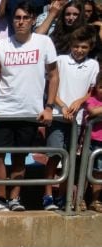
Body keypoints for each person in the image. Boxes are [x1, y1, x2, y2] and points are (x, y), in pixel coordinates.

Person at [0, 1, 58, 212]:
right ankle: (0, 199)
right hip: (2, 110)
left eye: (25, 17)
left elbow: (53, 75)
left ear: (33, 20)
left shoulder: (44, 43)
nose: (21, 21)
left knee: (19, 157)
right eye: (17, 18)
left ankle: (15, 199)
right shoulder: (1, 45)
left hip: (30, 111)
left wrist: (49, 106)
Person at [43, 26, 98, 211]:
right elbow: (51, 87)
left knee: (71, 159)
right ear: (71, 45)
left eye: (84, 47)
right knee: (54, 156)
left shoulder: (93, 65)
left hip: (79, 120)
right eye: (76, 46)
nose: (79, 50)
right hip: (58, 116)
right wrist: (63, 105)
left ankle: (63, 196)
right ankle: (48, 195)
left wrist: (78, 102)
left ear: (89, 47)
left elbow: (91, 90)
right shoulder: (60, 60)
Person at [84, 72, 102, 212]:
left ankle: (95, 200)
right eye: (101, 87)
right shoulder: (91, 100)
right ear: (96, 87)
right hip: (91, 141)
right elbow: (93, 111)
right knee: (84, 171)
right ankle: (79, 199)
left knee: (98, 172)